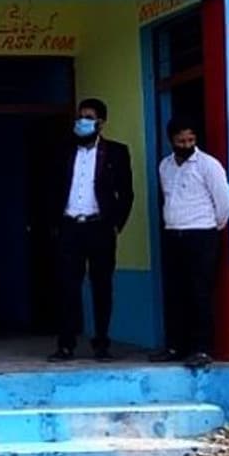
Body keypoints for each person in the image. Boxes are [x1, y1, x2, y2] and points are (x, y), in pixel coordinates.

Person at [48, 98, 134, 362]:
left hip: (100, 227)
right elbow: (50, 188)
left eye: (88, 117)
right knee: (67, 288)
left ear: (101, 122)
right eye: (80, 117)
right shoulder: (64, 150)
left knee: (102, 287)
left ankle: (101, 344)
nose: (82, 122)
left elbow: (126, 193)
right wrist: (55, 223)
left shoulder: (116, 152)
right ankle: (66, 344)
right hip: (70, 226)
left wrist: (115, 224)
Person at [150, 117, 229, 369]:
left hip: (201, 235)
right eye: (180, 141)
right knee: (175, 293)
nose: (186, 144)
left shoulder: (209, 165)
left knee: (199, 293)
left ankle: (201, 349)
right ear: (171, 141)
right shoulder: (165, 166)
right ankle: (176, 346)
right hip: (174, 234)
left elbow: (225, 203)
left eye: (190, 140)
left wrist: (212, 227)